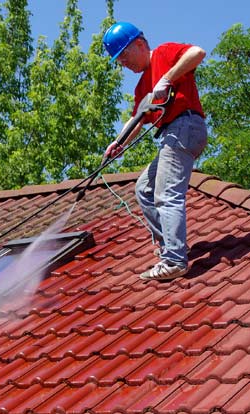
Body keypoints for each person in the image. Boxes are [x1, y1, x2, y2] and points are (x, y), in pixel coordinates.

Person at [102, 22, 208, 281]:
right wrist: (118, 143)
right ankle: (169, 247)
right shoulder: (142, 87)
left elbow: (198, 52)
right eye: (119, 61)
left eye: (124, 56)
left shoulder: (164, 53)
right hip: (173, 134)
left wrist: (167, 78)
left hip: (185, 126)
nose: (123, 64)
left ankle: (174, 260)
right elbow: (139, 118)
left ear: (139, 44)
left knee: (166, 193)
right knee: (144, 190)